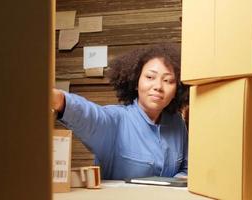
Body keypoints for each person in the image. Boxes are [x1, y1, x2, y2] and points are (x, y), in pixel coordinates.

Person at [52, 43, 189, 180]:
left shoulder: (177, 123)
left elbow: (186, 169)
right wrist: (60, 100)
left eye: (168, 80)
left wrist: (176, 184)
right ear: (136, 82)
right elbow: (89, 115)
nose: (158, 86)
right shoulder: (115, 120)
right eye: (150, 77)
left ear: (177, 89)